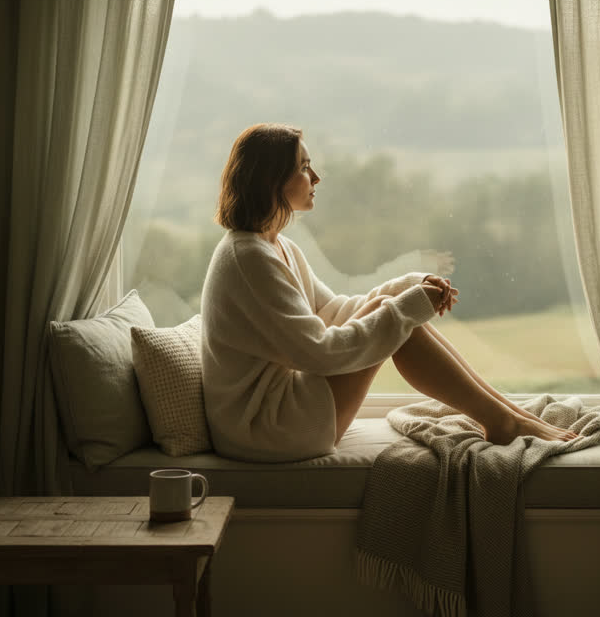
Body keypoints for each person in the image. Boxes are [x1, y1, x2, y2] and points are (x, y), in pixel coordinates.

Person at [200, 123, 575, 463]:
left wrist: (408, 287)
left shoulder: (274, 246)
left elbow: (331, 310)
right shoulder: (249, 259)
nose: (316, 176)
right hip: (267, 431)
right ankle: (503, 421)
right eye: (303, 167)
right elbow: (318, 353)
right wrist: (407, 308)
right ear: (271, 180)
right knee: (400, 324)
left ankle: (510, 416)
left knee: (393, 313)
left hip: (273, 417)